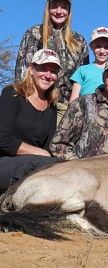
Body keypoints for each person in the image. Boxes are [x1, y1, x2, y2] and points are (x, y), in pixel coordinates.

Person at [15, 0, 90, 123]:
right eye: (54, 6)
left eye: (64, 7)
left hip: (66, 110)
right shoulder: (33, 33)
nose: (59, 11)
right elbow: (21, 72)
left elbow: (83, 80)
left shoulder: (79, 41)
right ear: (47, 8)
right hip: (35, 105)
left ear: (69, 11)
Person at [0, 49, 62, 194]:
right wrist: (39, 153)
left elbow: (47, 146)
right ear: (31, 70)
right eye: (43, 69)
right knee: (52, 166)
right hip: (5, 162)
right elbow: (2, 139)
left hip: (33, 165)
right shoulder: (12, 93)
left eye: (53, 71)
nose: (48, 75)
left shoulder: (51, 106)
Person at [69, 27, 108, 103]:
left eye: (106, 47)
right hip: (85, 111)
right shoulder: (82, 70)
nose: (102, 51)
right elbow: (73, 99)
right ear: (91, 46)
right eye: (98, 46)